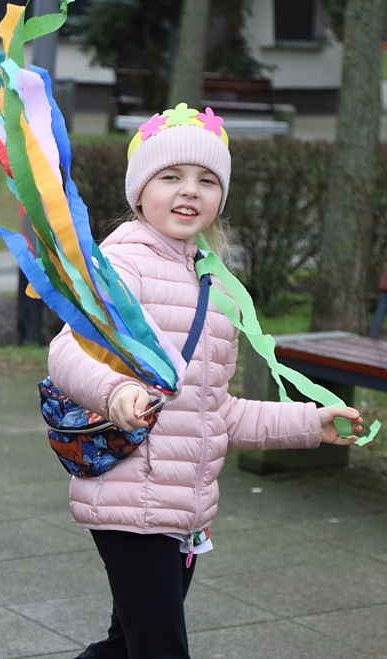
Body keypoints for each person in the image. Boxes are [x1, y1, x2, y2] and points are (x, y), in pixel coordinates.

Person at [46, 104, 363, 659]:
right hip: (131, 499)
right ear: (139, 193)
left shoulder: (214, 287)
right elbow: (65, 350)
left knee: (126, 647)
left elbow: (217, 410)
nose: (189, 190)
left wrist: (309, 424)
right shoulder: (122, 265)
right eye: (170, 176)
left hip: (184, 507)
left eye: (207, 180)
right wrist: (115, 392)